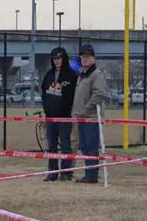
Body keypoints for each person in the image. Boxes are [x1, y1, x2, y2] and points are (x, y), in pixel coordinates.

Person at [71, 44, 108, 184]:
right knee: (85, 147)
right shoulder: (82, 74)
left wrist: (86, 108)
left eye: (87, 57)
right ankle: (89, 173)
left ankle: (92, 175)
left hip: (91, 118)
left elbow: (100, 94)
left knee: (91, 147)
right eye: (82, 57)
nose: (84, 59)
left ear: (93, 58)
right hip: (81, 117)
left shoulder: (96, 74)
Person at [39, 46, 78, 181]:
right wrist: (46, 109)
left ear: (64, 59)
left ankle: (66, 173)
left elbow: (73, 96)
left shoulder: (72, 76)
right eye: (54, 58)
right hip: (50, 117)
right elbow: (43, 92)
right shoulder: (49, 75)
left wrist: (67, 110)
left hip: (64, 117)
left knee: (66, 145)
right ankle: (52, 173)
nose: (57, 61)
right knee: (52, 146)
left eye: (59, 58)